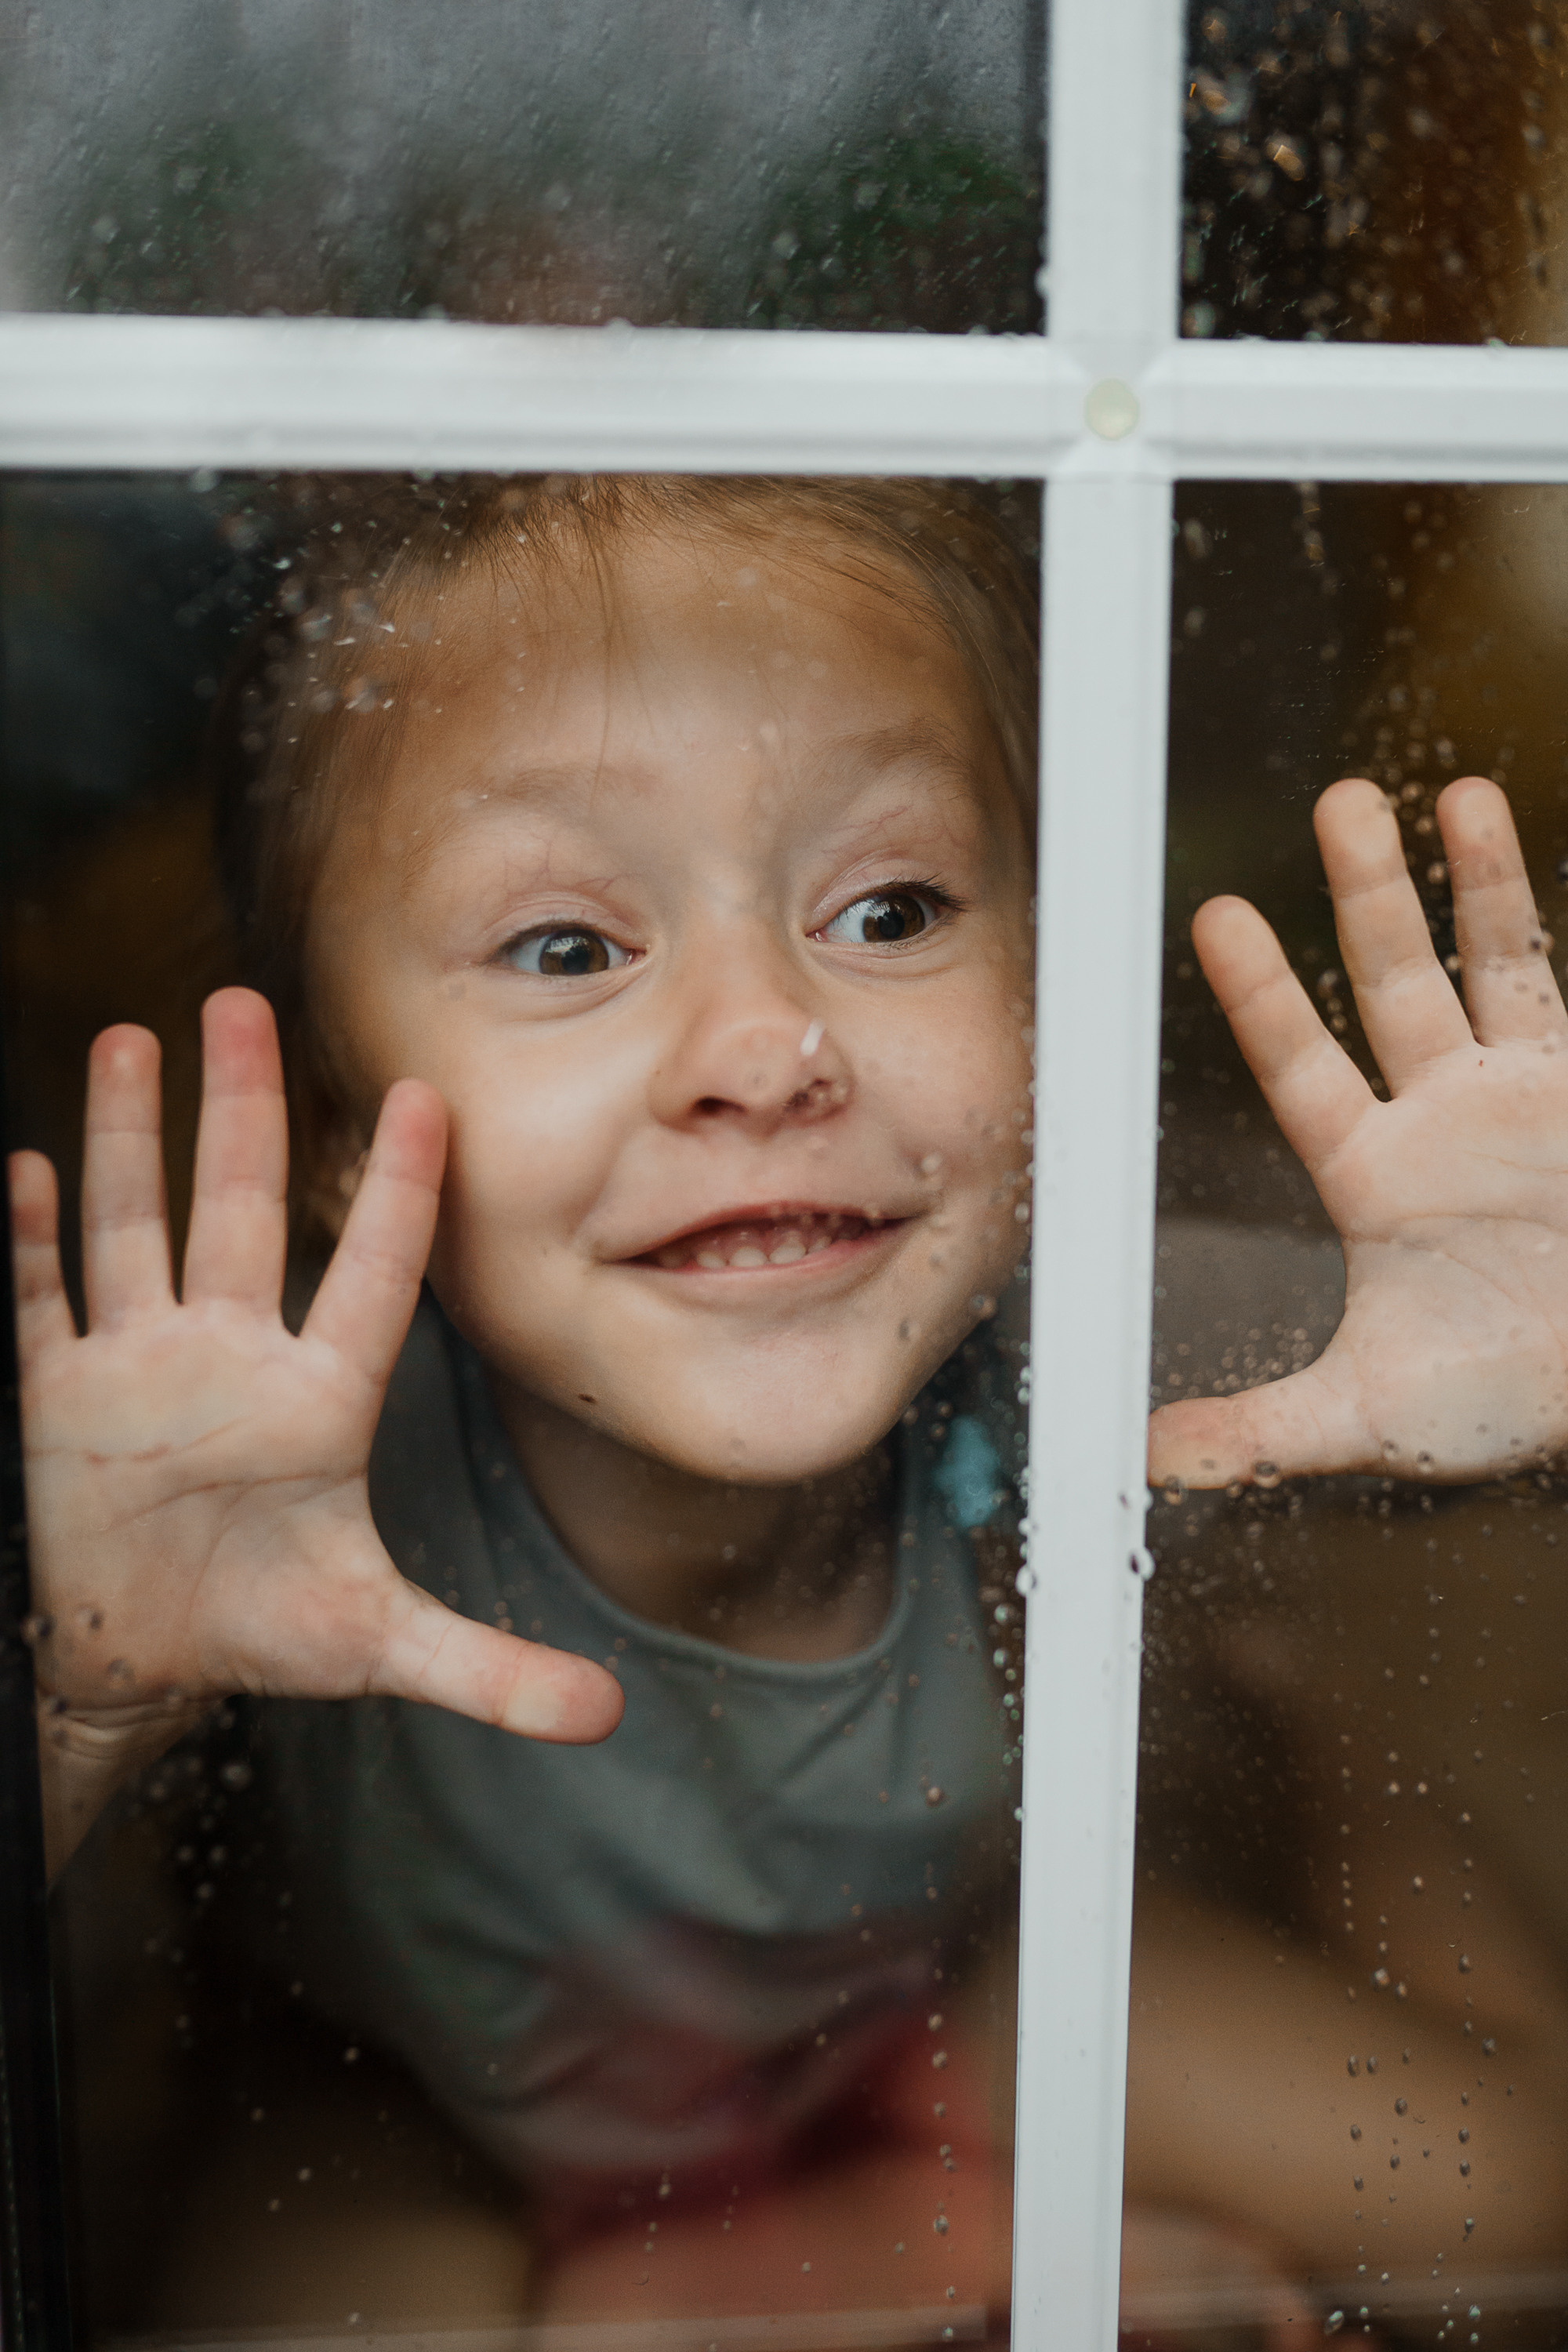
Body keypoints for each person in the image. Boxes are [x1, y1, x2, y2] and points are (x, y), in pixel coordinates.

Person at [10, 474, 1568, 2338]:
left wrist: (1540, 1363)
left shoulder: (1067, 1317)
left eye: (890, 907)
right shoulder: (262, 1438)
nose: (765, 1048)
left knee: (1506, 2199)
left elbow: (1467, 1376)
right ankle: (800, 2255)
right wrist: (84, 1698)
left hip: (914, 2009)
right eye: (569, 948)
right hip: (403, 2090)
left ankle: (1244, 1829)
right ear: (345, 1126)